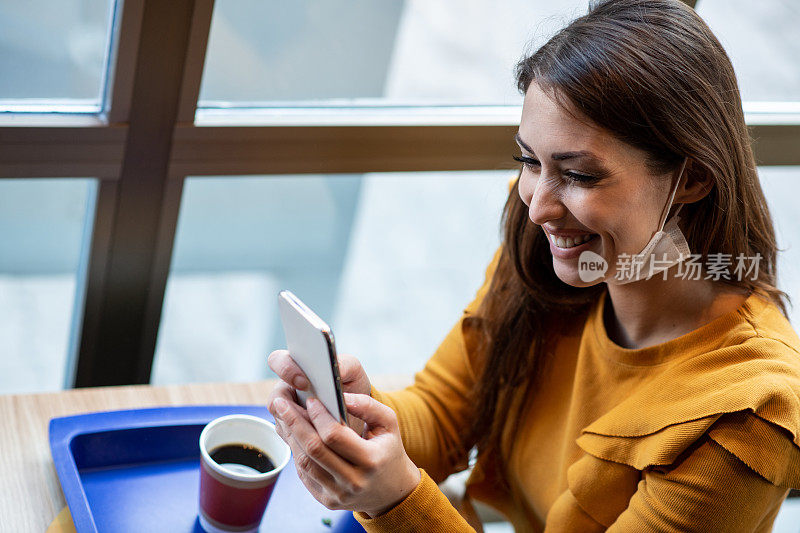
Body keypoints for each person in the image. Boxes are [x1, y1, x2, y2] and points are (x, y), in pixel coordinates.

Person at [267, 0, 800, 531]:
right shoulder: (551, 254)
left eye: (580, 176)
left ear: (691, 180)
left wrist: (395, 501)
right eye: (529, 161)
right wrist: (361, 419)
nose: (538, 207)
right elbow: (443, 412)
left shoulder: (748, 414)